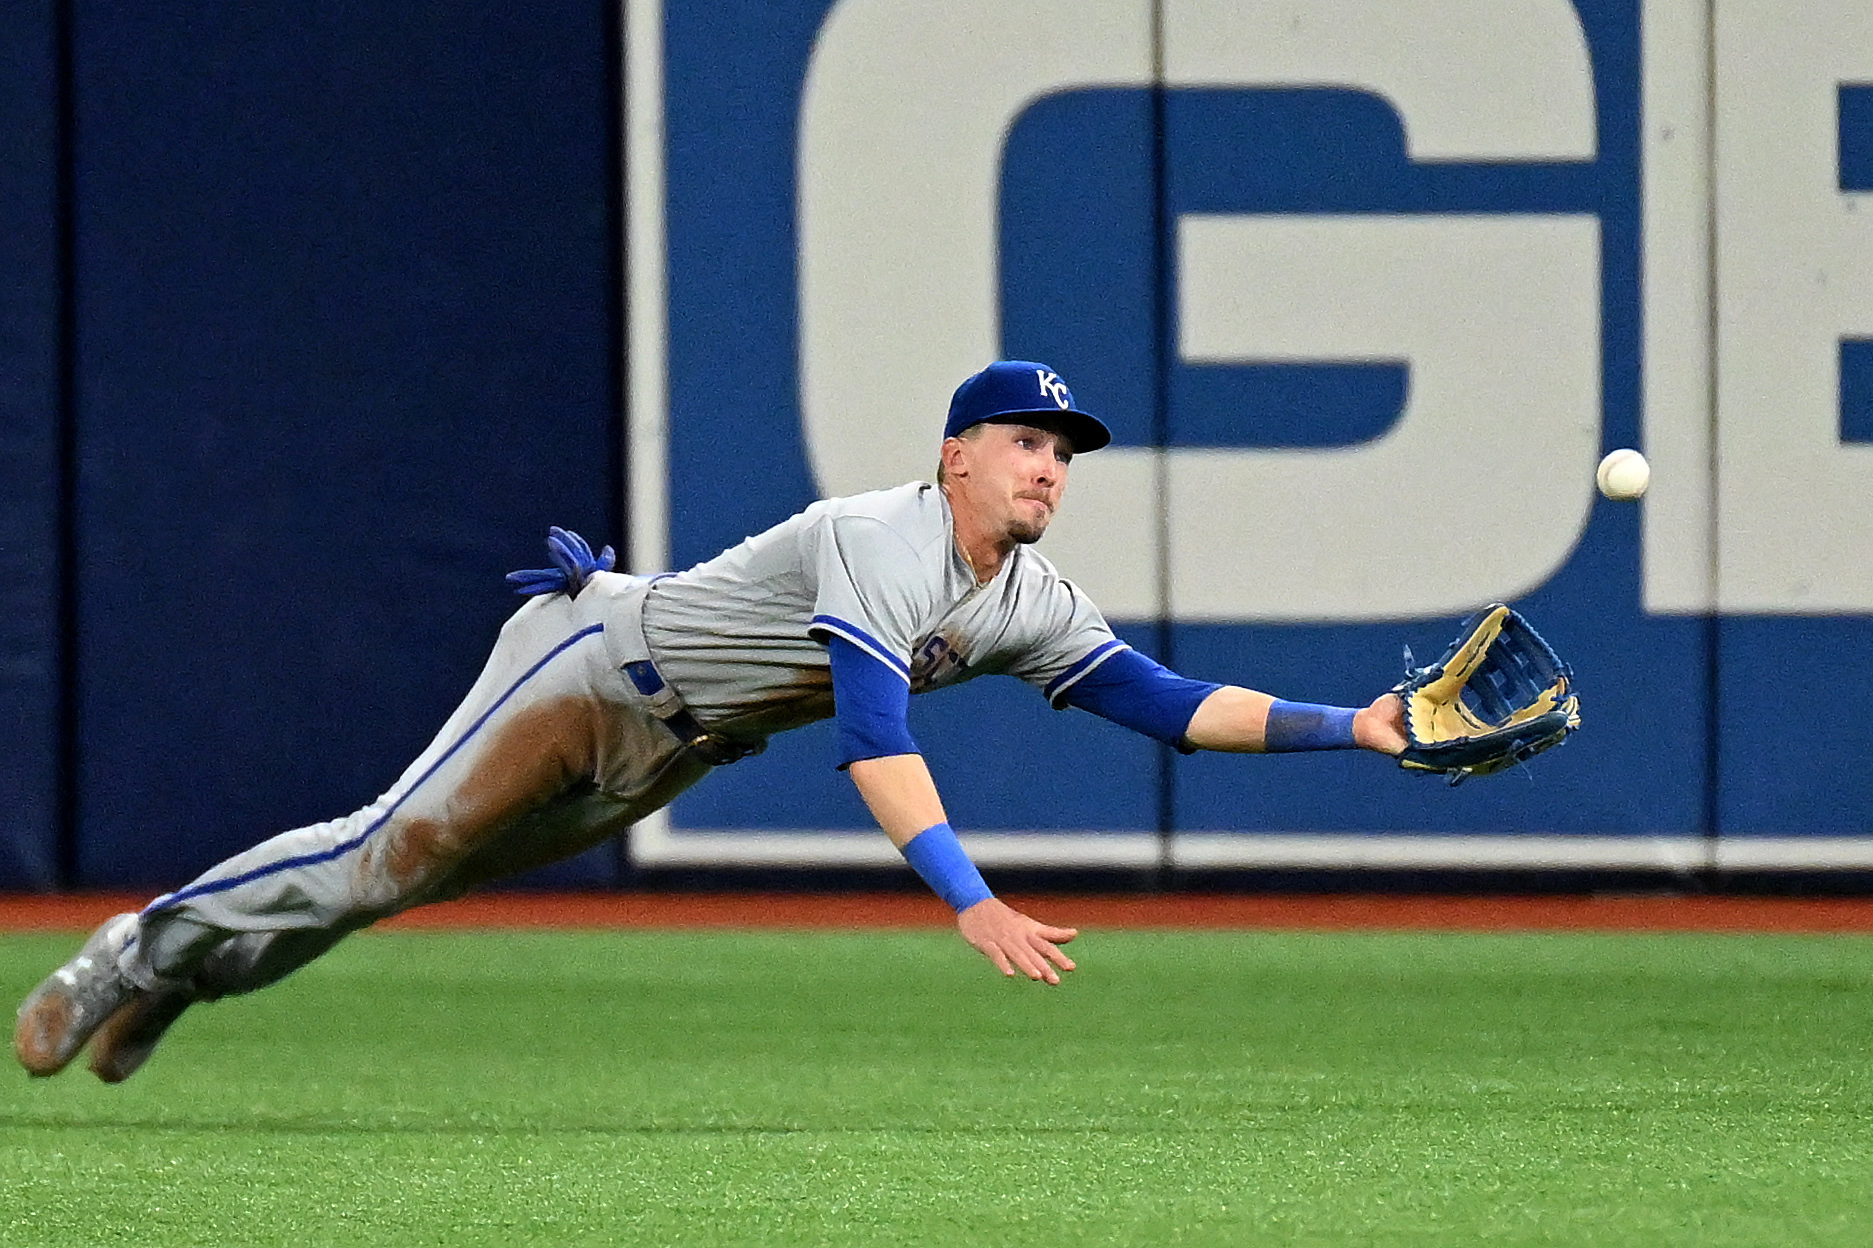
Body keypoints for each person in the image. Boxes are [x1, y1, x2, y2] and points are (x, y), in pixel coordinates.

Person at [15, 360, 1408, 1084]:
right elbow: (874, 736)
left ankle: (183, 982)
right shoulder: (884, 534)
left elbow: (1167, 708)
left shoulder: (1027, 597)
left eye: (1064, 451)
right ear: (954, 455)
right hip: (585, 667)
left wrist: (1356, 727)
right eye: (1027, 441)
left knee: (397, 891)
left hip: (670, 748)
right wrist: (968, 897)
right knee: (386, 849)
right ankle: (127, 950)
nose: (1050, 465)